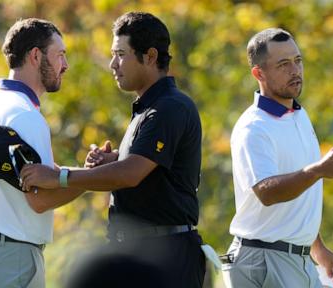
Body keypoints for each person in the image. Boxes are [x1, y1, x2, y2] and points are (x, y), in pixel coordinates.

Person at [21, 12, 206, 288]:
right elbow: (143, 168)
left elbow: (130, 175)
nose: (112, 64)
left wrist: (59, 177)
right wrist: (114, 160)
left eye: (121, 54)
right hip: (143, 253)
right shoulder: (148, 107)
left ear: (151, 56)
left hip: (168, 256)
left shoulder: (169, 107)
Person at [221, 28, 333, 287]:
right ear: (258, 73)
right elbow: (266, 192)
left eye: (298, 61)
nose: (295, 70)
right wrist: (317, 170)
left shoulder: (299, 116)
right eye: (283, 64)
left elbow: (299, 189)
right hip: (262, 259)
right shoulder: (253, 127)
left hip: (297, 259)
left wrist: (317, 247)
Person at [0, 18, 85, 287]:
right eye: (60, 55)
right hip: (15, 260)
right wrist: (93, 178)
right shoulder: (26, 115)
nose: (65, 65)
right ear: (36, 56)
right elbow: (40, 200)